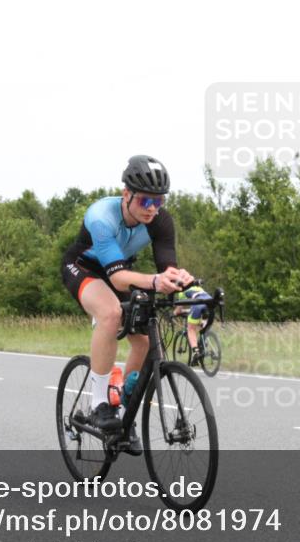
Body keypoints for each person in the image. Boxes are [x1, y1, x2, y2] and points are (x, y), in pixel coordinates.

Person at [61, 155, 195, 455]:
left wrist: (182, 288)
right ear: (126, 195)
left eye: (159, 202)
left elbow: (166, 268)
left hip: (122, 270)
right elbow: (119, 278)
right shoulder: (101, 216)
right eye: (146, 201)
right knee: (111, 313)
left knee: (147, 340)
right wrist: (156, 281)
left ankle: (125, 409)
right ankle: (98, 403)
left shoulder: (161, 220)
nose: (152, 209)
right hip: (85, 268)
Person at [175, 282, 212, 365]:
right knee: (201, 325)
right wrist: (189, 311)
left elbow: (178, 311)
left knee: (191, 329)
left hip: (198, 304)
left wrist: (174, 314)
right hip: (210, 303)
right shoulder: (198, 288)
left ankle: (196, 353)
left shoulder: (182, 291)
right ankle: (203, 344)